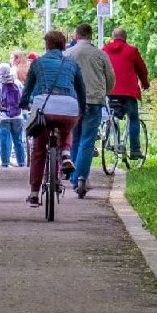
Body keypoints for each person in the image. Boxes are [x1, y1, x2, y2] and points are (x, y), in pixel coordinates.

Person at [21, 29, 86, 207]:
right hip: (68, 106)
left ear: (47, 45)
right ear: (63, 45)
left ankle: (34, 194)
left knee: (39, 150)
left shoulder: (38, 63)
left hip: (44, 107)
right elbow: (81, 90)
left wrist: (23, 103)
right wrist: (82, 109)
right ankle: (65, 153)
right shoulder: (72, 64)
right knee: (67, 126)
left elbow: (27, 90)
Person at [64, 22, 116, 198]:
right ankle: (80, 177)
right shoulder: (100, 54)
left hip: (72, 102)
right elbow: (110, 79)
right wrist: (104, 93)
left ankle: (73, 177)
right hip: (94, 101)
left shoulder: (67, 54)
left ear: (76, 35)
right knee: (87, 140)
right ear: (91, 35)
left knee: (74, 139)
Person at [104, 27, 151, 160]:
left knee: (111, 115)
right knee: (133, 119)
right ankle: (135, 151)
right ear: (125, 37)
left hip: (110, 90)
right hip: (129, 92)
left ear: (113, 37)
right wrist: (145, 84)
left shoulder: (105, 50)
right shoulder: (132, 51)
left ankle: (108, 141)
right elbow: (142, 70)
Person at [0, 63, 26, 167]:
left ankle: (5, 163)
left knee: (4, 140)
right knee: (18, 140)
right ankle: (21, 162)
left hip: (3, 116)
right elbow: (23, 97)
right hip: (18, 116)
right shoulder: (17, 82)